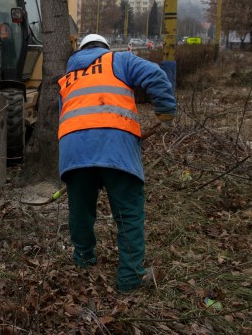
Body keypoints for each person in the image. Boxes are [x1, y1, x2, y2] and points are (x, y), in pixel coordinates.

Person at [57, 34, 176, 292]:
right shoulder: (119, 60)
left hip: (74, 152)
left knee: (80, 212)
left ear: (81, 51)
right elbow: (155, 75)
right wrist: (165, 110)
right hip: (116, 148)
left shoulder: (66, 79)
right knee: (128, 214)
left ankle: (84, 263)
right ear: (104, 48)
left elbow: (65, 116)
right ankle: (131, 279)